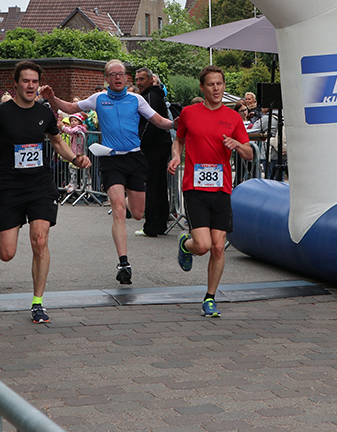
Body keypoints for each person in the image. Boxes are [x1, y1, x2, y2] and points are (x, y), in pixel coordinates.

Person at [0, 61, 91, 324]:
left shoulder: (44, 112)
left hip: (39, 185)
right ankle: (0, 242)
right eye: (26, 81)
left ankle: (37, 302)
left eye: (35, 82)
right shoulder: (1, 113)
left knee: (40, 240)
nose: (30, 86)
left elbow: (57, 142)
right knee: (7, 253)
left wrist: (75, 159)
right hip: (9, 187)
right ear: (16, 84)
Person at [40, 60, 173, 286]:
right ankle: (124, 263)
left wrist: (178, 123)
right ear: (106, 79)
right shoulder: (99, 99)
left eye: (121, 74)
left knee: (138, 213)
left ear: (126, 77)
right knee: (118, 211)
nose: (118, 77)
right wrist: (52, 98)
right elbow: (70, 108)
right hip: (111, 159)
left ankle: (126, 202)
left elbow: (159, 121)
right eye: (113, 74)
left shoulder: (137, 99)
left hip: (135, 157)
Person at [169, 65, 253, 317]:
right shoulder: (189, 113)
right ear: (202, 87)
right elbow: (179, 139)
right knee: (203, 245)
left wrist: (237, 144)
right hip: (194, 187)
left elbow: (249, 153)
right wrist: (176, 157)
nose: (216, 88)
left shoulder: (233, 117)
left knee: (218, 247)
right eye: (211, 84)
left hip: (222, 188)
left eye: (220, 84)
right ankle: (186, 245)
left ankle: (210, 298)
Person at [134, 67, 173, 239]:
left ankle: (151, 226)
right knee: (159, 185)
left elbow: (150, 122)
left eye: (142, 79)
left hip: (153, 146)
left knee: (151, 185)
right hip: (161, 144)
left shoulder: (149, 97)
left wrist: (139, 140)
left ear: (151, 80)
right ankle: (160, 223)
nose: (138, 83)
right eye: (137, 79)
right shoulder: (156, 95)